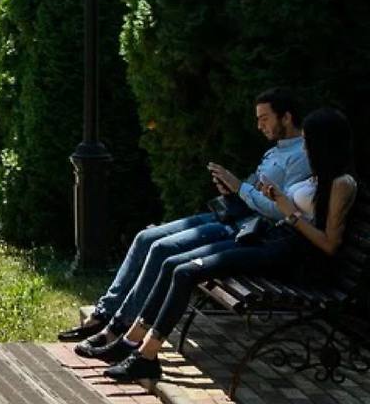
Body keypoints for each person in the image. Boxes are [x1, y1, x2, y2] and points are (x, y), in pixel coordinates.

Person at [103, 107, 357, 383]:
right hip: (273, 240)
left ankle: (146, 356)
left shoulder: (342, 183)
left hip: (292, 257)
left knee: (187, 272)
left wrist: (290, 212)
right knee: (173, 264)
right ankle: (131, 342)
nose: (304, 147)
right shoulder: (316, 176)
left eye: (309, 141)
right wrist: (274, 198)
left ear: (324, 143)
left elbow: (330, 244)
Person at [61, 88, 310, 352]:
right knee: (145, 237)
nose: (259, 125)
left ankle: (119, 326)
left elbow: (283, 210)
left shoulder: (301, 157)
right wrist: (233, 189)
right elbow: (252, 191)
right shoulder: (275, 151)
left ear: (286, 117)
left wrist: (241, 189)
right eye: (258, 118)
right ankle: (103, 313)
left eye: (265, 118)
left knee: (162, 249)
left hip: (249, 230)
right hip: (232, 215)